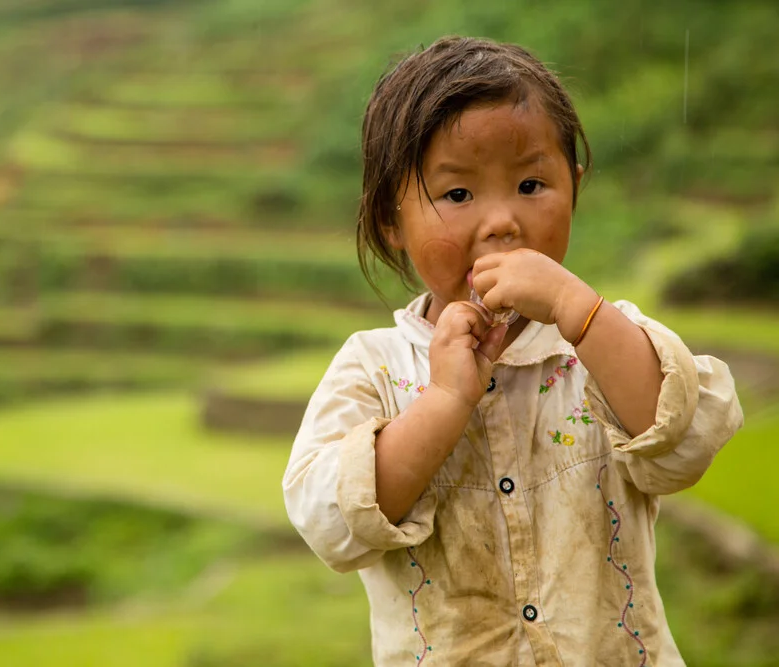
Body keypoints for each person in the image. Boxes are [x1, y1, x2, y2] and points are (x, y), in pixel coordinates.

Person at [282, 36, 743, 666]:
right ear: (391, 217)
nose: (502, 221)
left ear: (574, 187)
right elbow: (331, 522)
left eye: (531, 184)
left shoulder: (606, 341)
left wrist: (580, 311)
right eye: (458, 195)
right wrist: (444, 400)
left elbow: (684, 441)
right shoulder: (376, 367)